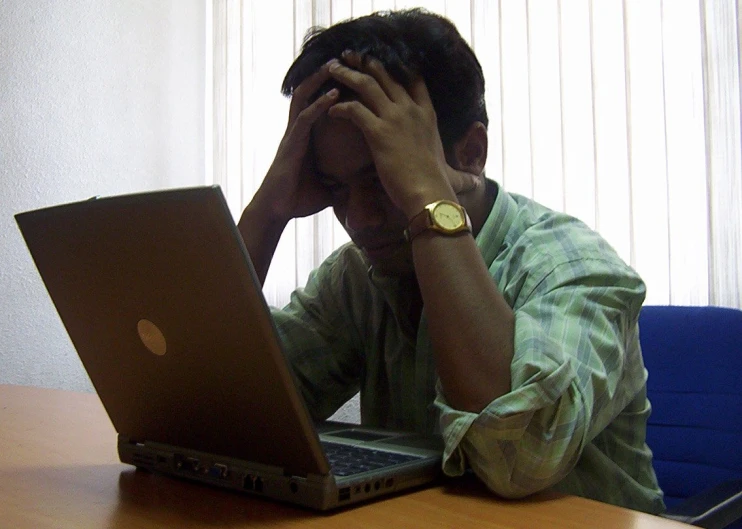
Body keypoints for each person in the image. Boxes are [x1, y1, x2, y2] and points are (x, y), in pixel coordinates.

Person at [237, 8, 665, 514]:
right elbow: (233, 412)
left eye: (382, 177)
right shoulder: (358, 277)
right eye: (336, 187)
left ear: (472, 152)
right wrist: (267, 212)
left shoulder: (573, 267)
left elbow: (518, 457)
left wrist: (424, 199)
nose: (359, 218)